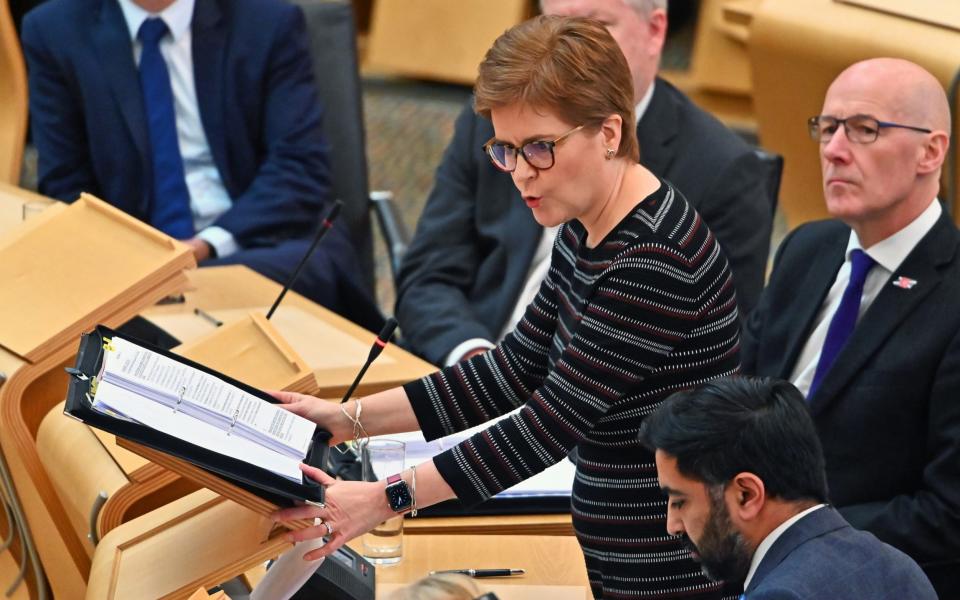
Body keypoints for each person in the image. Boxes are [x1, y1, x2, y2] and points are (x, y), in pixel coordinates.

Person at [271, 15, 740, 600]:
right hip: (609, 539)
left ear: (610, 133)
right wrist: (348, 419)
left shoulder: (653, 260)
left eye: (540, 147)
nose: (520, 173)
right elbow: (513, 368)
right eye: (505, 149)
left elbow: (546, 425)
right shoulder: (589, 221)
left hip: (665, 564)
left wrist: (381, 499)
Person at [395, 0, 772, 367]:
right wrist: (473, 359)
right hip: (466, 367)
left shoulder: (722, 172)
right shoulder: (498, 120)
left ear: (654, 31)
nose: (570, 60)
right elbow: (427, 276)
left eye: (597, 30)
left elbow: (716, 369)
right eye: (555, 33)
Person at [21, 0, 382, 330]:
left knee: (297, 273)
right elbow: (66, 184)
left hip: (254, 245)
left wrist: (204, 246)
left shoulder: (267, 20)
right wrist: (140, 259)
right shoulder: (54, 30)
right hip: (134, 264)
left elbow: (299, 167)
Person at [740, 58, 960, 596]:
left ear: (931, 151)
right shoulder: (805, 250)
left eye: (865, 130)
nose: (835, 150)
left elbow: (947, 513)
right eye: (827, 127)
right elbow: (736, 402)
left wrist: (792, 535)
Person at [638, 376, 937, 599]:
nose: (672, 525)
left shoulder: (780, 594)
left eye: (680, 501)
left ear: (746, 494)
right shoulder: (899, 565)